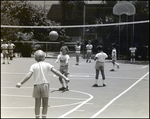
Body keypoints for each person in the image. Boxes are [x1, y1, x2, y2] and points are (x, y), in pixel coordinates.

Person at [16, 50, 69, 119]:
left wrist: (21, 83)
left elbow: (29, 75)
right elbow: (56, 72)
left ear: (35, 58)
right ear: (44, 58)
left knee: (37, 104)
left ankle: (37, 117)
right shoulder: (47, 64)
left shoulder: (33, 66)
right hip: (45, 85)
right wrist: (64, 77)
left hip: (36, 85)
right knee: (45, 103)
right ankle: (44, 117)